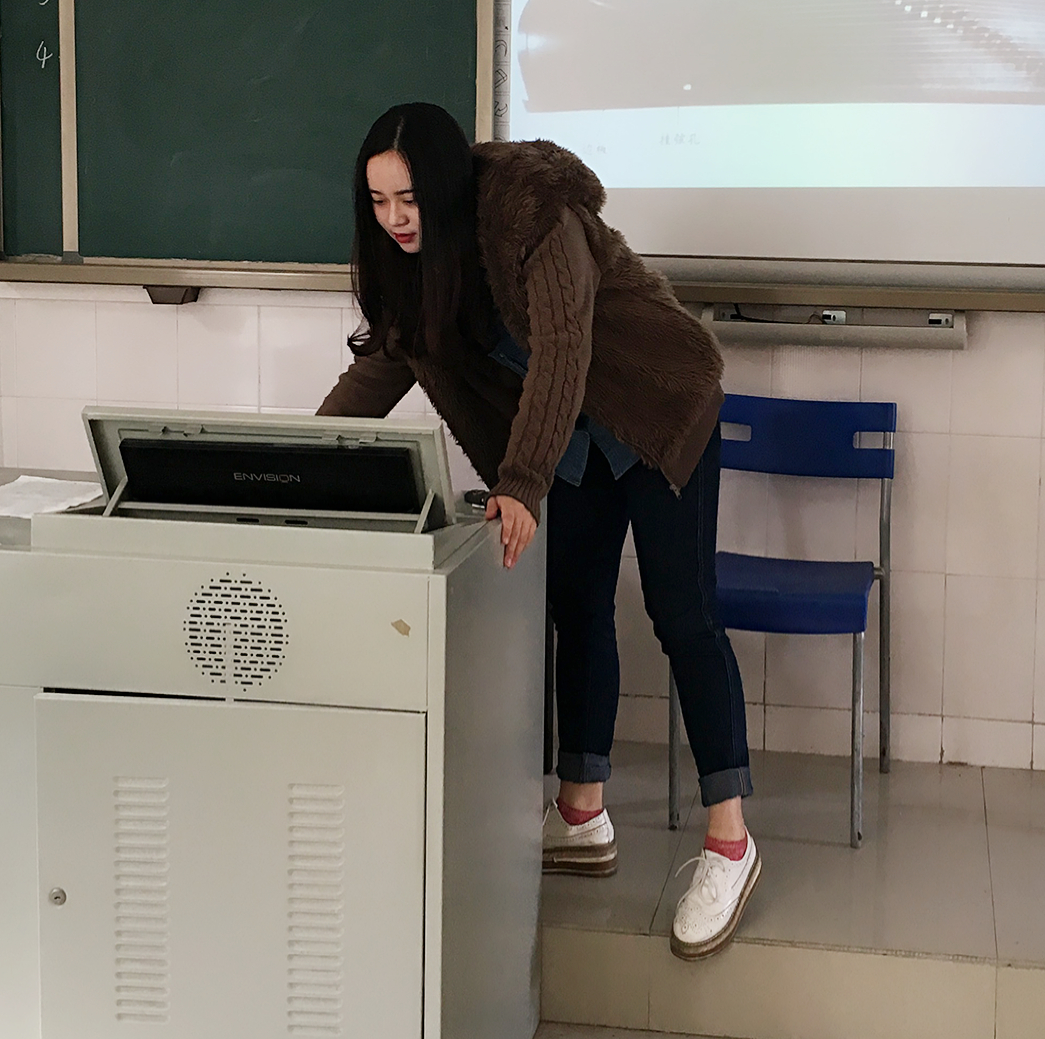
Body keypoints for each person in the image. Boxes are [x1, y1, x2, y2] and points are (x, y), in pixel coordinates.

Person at [318, 102, 758, 959]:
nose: (396, 219)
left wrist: (520, 482)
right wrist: (300, 458)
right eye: (378, 202)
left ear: (446, 186)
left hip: (654, 406)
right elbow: (378, 371)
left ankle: (731, 842)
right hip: (567, 442)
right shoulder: (410, 266)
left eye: (409, 198)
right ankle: (582, 814)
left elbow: (562, 348)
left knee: (683, 616)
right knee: (576, 609)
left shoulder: (532, 213)